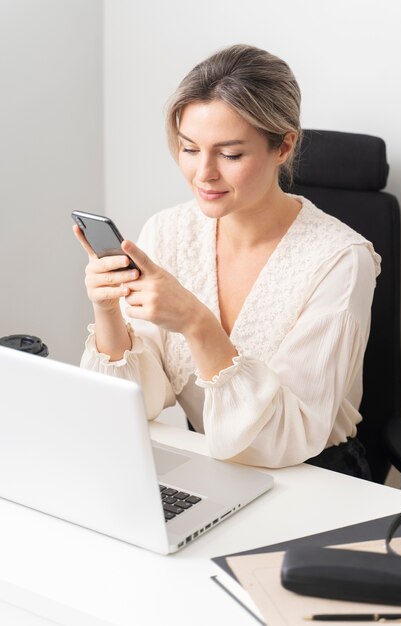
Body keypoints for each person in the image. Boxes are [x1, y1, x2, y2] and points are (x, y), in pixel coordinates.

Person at [73, 44, 380, 479]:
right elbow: (135, 403)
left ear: (284, 147)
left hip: (313, 477)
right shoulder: (167, 231)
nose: (204, 174)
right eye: (189, 149)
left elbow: (284, 438)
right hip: (212, 468)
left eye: (230, 154)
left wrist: (198, 324)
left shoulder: (341, 261)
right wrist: (107, 313)